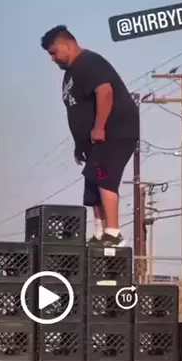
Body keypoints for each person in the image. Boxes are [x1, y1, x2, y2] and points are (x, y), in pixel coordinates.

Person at [41, 25, 140, 247]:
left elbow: (105, 91)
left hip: (113, 133)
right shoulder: (70, 74)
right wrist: (80, 145)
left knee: (104, 176)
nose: (53, 59)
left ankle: (113, 234)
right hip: (94, 140)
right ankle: (99, 233)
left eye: (54, 53)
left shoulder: (89, 62)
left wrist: (99, 127)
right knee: (93, 180)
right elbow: (78, 109)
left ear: (67, 45)